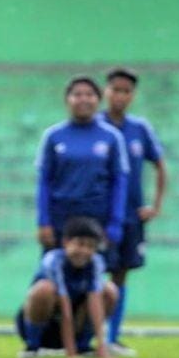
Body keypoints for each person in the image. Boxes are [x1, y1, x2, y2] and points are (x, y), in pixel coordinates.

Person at [99, 67, 167, 358]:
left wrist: (155, 205)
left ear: (132, 95)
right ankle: (86, 336)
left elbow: (160, 165)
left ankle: (112, 338)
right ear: (106, 91)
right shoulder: (96, 125)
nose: (120, 96)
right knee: (92, 273)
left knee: (121, 274)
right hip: (99, 217)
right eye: (115, 89)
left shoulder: (140, 129)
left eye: (126, 91)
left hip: (131, 217)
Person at [36, 75, 129, 252]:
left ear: (98, 100)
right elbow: (44, 181)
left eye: (89, 94)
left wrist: (115, 222)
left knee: (96, 273)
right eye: (77, 95)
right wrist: (43, 222)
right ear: (67, 100)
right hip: (61, 216)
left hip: (97, 215)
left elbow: (119, 181)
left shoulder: (111, 137)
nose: (83, 99)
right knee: (54, 273)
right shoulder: (53, 136)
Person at [16, 216, 117, 358]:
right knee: (44, 289)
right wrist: (71, 353)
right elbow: (65, 309)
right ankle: (33, 346)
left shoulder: (96, 262)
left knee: (109, 291)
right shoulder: (54, 261)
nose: (84, 251)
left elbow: (95, 302)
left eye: (90, 246)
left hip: (76, 322)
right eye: (80, 244)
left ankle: (84, 346)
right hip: (50, 321)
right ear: (65, 243)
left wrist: (101, 345)